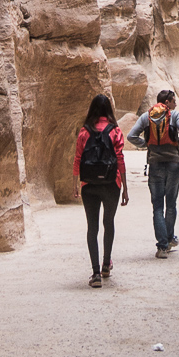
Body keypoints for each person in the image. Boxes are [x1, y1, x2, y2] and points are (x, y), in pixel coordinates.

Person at [74, 94, 128, 287]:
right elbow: (120, 159)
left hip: (89, 184)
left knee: (92, 227)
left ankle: (95, 274)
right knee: (109, 222)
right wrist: (125, 188)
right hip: (111, 183)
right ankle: (106, 264)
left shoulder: (84, 131)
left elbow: (78, 158)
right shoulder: (115, 131)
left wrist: (76, 184)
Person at [128, 88, 179, 258]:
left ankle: (162, 247)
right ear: (167, 102)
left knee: (157, 207)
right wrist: (178, 143)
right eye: (173, 100)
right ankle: (169, 239)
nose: (176, 103)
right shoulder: (175, 115)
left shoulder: (146, 116)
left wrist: (147, 144)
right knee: (171, 204)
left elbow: (131, 136)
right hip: (173, 164)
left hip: (155, 164)